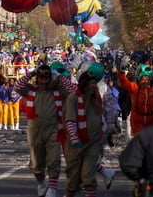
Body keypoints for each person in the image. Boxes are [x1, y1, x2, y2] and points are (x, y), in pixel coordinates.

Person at [15, 63, 77, 197]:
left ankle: (52, 188)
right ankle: (41, 183)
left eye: (46, 78)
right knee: (36, 162)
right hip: (34, 131)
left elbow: (73, 90)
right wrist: (30, 73)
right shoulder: (31, 90)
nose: (43, 81)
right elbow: (17, 86)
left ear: (50, 78)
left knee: (53, 159)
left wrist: (59, 77)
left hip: (54, 129)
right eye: (40, 78)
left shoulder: (57, 91)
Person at [62, 62, 106, 197]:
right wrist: (75, 139)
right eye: (91, 83)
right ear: (85, 83)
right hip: (76, 145)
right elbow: (70, 120)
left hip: (92, 142)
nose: (94, 86)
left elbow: (100, 118)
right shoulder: (73, 98)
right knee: (73, 183)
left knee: (88, 177)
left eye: (95, 83)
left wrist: (103, 133)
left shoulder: (95, 99)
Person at [116, 64, 153, 136]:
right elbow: (125, 83)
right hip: (137, 120)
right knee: (140, 141)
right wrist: (122, 72)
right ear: (139, 79)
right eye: (143, 79)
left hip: (152, 121)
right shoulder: (135, 88)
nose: (145, 82)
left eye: (147, 79)